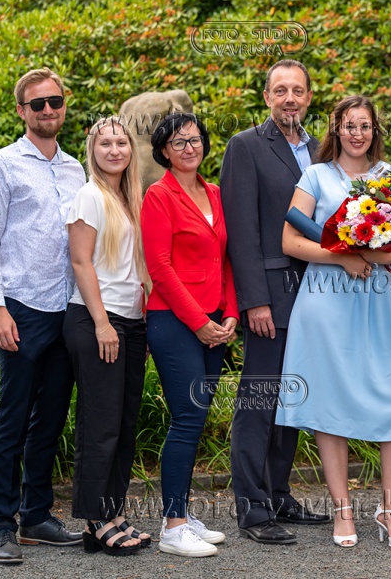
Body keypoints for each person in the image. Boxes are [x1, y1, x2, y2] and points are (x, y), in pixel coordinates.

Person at [277, 95, 391, 549]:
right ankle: (343, 511)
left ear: (374, 131)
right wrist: (340, 257)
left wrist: (376, 256)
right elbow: (290, 239)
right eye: (349, 125)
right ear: (336, 130)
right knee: (330, 402)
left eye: (365, 125)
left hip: (377, 301)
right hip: (325, 303)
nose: (357, 133)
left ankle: (390, 511)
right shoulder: (315, 176)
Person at [0, 67, 84, 564]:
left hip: (66, 309)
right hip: (21, 307)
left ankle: (36, 516)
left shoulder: (76, 169)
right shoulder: (2, 164)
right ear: (21, 111)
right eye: (37, 104)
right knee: (13, 421)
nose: (47, 110)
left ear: (64, 106)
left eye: (54, 101)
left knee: (51, 420)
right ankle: (3, 526)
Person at [220, 59, 329, 545]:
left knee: (294, 397)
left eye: (297, 90)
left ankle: (279, 494)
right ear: (267, 97)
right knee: (259, 398)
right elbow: (241, 229)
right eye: (280, 90)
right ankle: (253, 509)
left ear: (309, 97)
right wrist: (254, 300)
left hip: (318, 292)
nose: (289, 98)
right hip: (271, 294)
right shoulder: (245, 146)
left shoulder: (321, 150)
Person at [141, 113, 237, 557]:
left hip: (214, 321)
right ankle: (173, 526)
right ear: (164, 150)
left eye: (195, 140)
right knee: (187, 418)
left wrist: (230, 313)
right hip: (174, 321)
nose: (189, 148)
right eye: (178, 142)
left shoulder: (214, 192)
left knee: (196, 417)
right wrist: (199, 321)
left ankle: (181, 511)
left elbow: (225, 259)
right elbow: (159, 267)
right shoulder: (158, 196)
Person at [62, 116, 148, 556]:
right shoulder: (89, 196)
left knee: (124, 424)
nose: (115, 150)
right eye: (105, 144)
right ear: (92, 152)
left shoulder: (129, 199)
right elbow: (81, 262)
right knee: (100, 425)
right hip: (98, 321)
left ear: (131, 150)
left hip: (131, 322)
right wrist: (101, 323)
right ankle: (94, 519)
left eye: (121, 143)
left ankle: (112, 512)